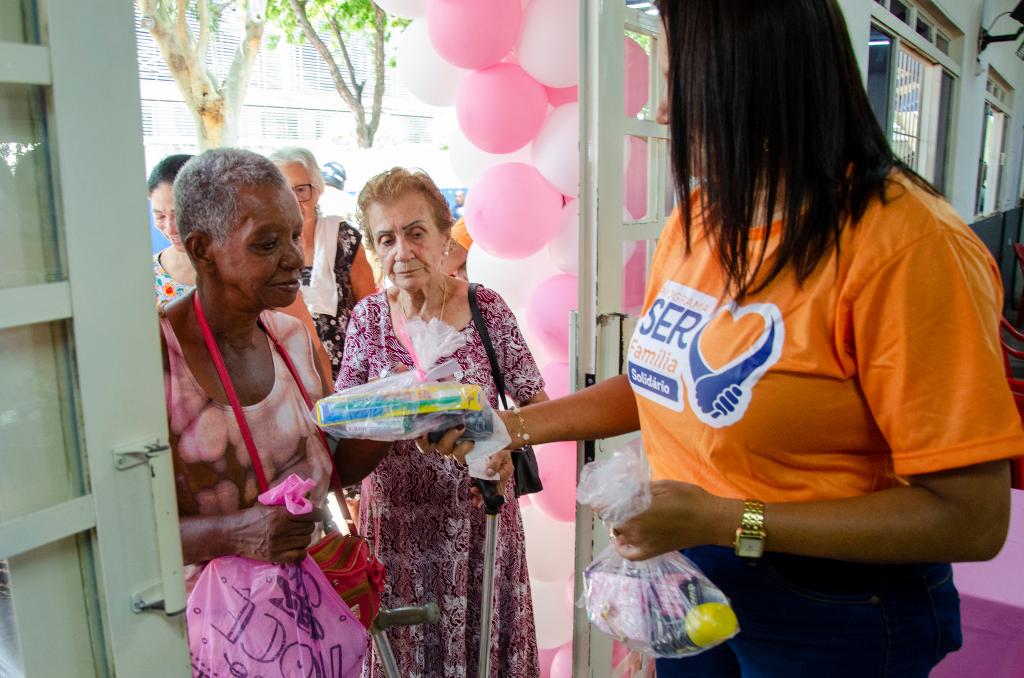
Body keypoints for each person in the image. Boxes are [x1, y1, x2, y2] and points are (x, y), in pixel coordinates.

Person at [498, 2, 1024, 676]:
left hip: (837, 610)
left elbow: (971, 519)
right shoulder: (699, 220)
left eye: (678, 85)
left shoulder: (907, 247)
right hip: (701, 580)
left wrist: (727, 521)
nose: (663, 112)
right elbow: (660, 385)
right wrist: (510, 426)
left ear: (755, 80)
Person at [334, 167, 546, 677]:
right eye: (386, 239)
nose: (402, 250)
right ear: (373, 250)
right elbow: (345, 420)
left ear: (443, 236)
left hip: (478, 522)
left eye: (415, 232)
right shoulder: (367, 319)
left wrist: (500, 444)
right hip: (397, 531)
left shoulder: (485, 308)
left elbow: (538, 408)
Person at [270, 148, 377, 380]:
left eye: (301, 190)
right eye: (283, 191)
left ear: (317, 190)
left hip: (349, 375)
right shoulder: (265, 250)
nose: (294, 200)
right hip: (290, 376)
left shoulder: (344, 238)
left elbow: (371, 311)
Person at [149, 153, 195, 303]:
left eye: (178, 215)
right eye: (160, 216)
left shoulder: (239, 267)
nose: (170, 229)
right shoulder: (150, 275)